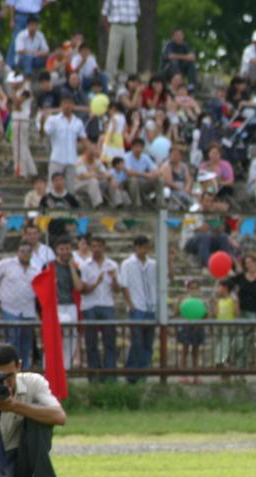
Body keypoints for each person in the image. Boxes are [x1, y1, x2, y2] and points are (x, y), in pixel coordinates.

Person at [0, 343, 66, 477]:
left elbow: (59, 417)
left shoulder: (33, 382)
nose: (3, 383)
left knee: (40, 414)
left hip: (22, 460)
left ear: (19, 366)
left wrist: (16, 406)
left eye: (8, 376)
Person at [0, 240, 38, 366]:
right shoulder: (7, 264)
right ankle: (10, 369)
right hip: (10, 309)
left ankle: (24, 369)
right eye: (22, 251)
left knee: (26, 344)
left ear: (32, 253)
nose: (25, 254)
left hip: (28, 311)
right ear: (17, 252)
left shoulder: (36, 268)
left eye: (28, 251)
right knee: (11, 343)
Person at [79, 236, 120, 382]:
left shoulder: (112, 265)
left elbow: (117, 290)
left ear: (104, 247)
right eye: (94, 246)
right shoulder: (85, 266)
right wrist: (97, 283)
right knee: (91, 343)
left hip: (107, 305)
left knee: (110, 342)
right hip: (89, 306)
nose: (96, 249)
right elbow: (83, 290)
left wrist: (114, 279)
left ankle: (110, 376)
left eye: (99, 246)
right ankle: (94, 376)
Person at [119, 235, 157, 383]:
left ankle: (143, 373)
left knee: (148, 343)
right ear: (135, 248)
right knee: (137, 342)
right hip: (137, 307)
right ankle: (132, 374)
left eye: (146, 247)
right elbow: (124, 285)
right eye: (141, 247)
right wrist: (131, 305)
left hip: (151, 307)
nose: (143, 250)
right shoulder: (127, 264)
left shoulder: (153, 264)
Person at [52, 236, 82, 370]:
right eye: (62, 249)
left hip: (71, 305)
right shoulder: (50, 266)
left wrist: (71, 267)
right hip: (56, 306)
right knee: (56, 337)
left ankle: (66, 367)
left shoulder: (75, 267)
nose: (65, 252)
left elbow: (78, 287)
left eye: (67, 249)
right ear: (57, 250)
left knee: (71, 338)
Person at [43, 97, 86, 192]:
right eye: (65, 103)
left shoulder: (78, 122)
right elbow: (45, 133)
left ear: (73, 106)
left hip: (71, 160)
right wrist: (42, 120)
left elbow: (84, 138)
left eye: (70, 103)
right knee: (52, 187)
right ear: (61, 105)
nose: (67, 106)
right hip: (57, 158)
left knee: (70, 188)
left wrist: (93, 149)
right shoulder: (53, 120)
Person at [175, 279, 206, 383]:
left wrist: (207, 308)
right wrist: (178, 303)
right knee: (184, 351)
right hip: (186, 327)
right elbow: (176, 313)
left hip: (198, 327)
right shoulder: (183, 300)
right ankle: (183, 375)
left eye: (196, 288)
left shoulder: (201, 301)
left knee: (196, 352)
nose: (194, 290)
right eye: (191, 288)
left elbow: (205, 315)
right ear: (188, 289)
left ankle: (196, 375)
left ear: (199, 289)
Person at [123, 137, 165, 209]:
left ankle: (161, 204)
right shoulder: (126, 157)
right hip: (128, 183)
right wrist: (145, 175)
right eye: (136, 147)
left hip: (142, 183)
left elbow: (156, 169)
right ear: (132, 147)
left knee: (159, 178)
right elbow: (129, 172)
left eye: (140, 147)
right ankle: (137, 205)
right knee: (133, 179)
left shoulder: (145, 157)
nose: (138, 149)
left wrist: (154, 174)